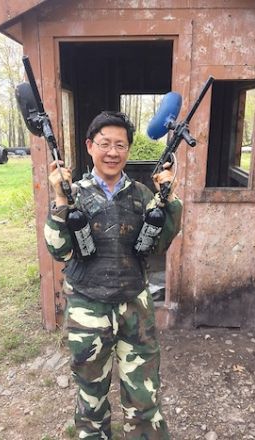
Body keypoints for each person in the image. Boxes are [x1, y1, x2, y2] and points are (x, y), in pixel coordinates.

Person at [44, 111, 182, 439]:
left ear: (129, 151)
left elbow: (160, 245)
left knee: (144, 396)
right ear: (90, 146)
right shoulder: (73, 191)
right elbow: (59, 251)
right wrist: (60, 200)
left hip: (136, 306)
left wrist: (169, 198)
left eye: (120, 145)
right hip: (87, 309)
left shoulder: (142, 195)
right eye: (104, 144)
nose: (112, 152)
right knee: (91, 399)